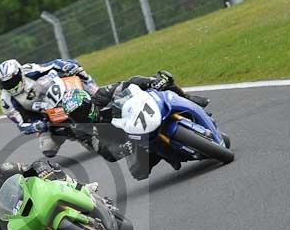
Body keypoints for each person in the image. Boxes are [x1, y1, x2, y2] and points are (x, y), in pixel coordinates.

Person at [62, 70, 211, 180]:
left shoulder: (101, 95)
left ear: (89, 102)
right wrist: (122, 148)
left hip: (138, 113)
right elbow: (103, 150)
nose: (80, 116)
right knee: (138, 172)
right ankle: (165, 153)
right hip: (128, 138)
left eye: (81, 111)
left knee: (164, 83)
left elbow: (129, 83)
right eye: (76, 115)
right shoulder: (82, 130)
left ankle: (188, 99)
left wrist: (152, 81)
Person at [0, 58, 98, 157]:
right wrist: (35, 126)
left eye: (12, 80)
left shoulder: (29, 70)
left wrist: (66, 66)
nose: (10, 85)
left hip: (58, 94)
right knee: (48, 149)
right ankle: (80, 137)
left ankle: (93, 91)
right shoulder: (5, 101)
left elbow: (54, 64)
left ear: (19, 73)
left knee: (74, 67)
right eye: (6, 83)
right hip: (43, 118)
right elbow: (21, 124)